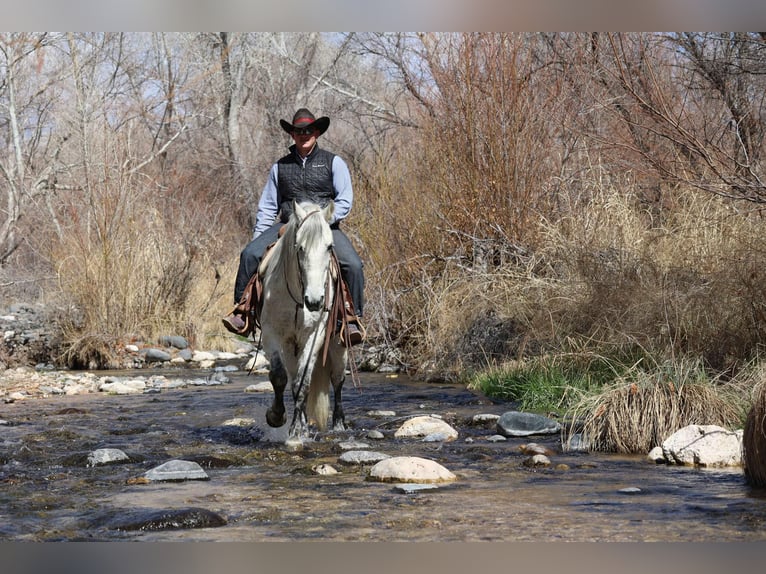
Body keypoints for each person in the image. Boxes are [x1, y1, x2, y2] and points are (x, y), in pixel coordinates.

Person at [223, 108, 365, 346]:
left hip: (323, 227)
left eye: (308, 130)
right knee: (249, 254)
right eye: (298, 131)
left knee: (353, 264)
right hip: (287, 223)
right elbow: (268, 206)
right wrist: (259, 238)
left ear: (317, 132)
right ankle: (243, 310)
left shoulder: (334, 162)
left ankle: (352, 318)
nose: (304, 134)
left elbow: (345, 200)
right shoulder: (280, 167)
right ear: (292, 134)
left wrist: (320, 220)